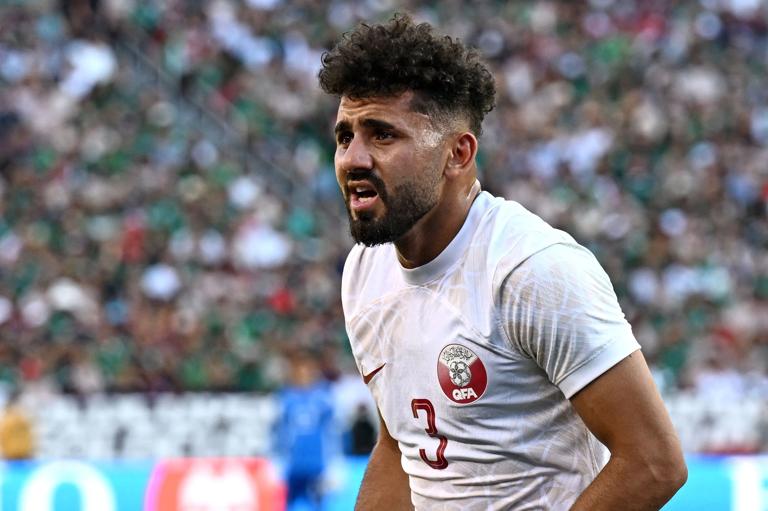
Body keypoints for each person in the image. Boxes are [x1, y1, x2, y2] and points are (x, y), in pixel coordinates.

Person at [319, 13, 687, 511]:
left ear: (458, 153)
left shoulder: (533, 270)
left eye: (382, 135)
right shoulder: (365, 272)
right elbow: (401, 448)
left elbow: (652, 462)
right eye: (345, 137)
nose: (353, 158)